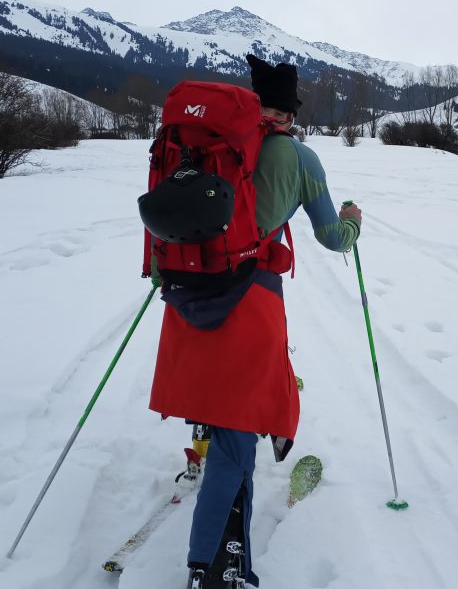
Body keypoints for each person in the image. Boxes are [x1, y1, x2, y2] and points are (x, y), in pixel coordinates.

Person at [148, 54, 361, 589]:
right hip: (249, 301)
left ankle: (215, 431)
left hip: (187, 293)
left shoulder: (207, 144)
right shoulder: (301, 158)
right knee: (236, 440)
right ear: (291, 111)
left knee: (218, 400)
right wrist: (354, 225)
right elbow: (332, 237)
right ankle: (213, 570)